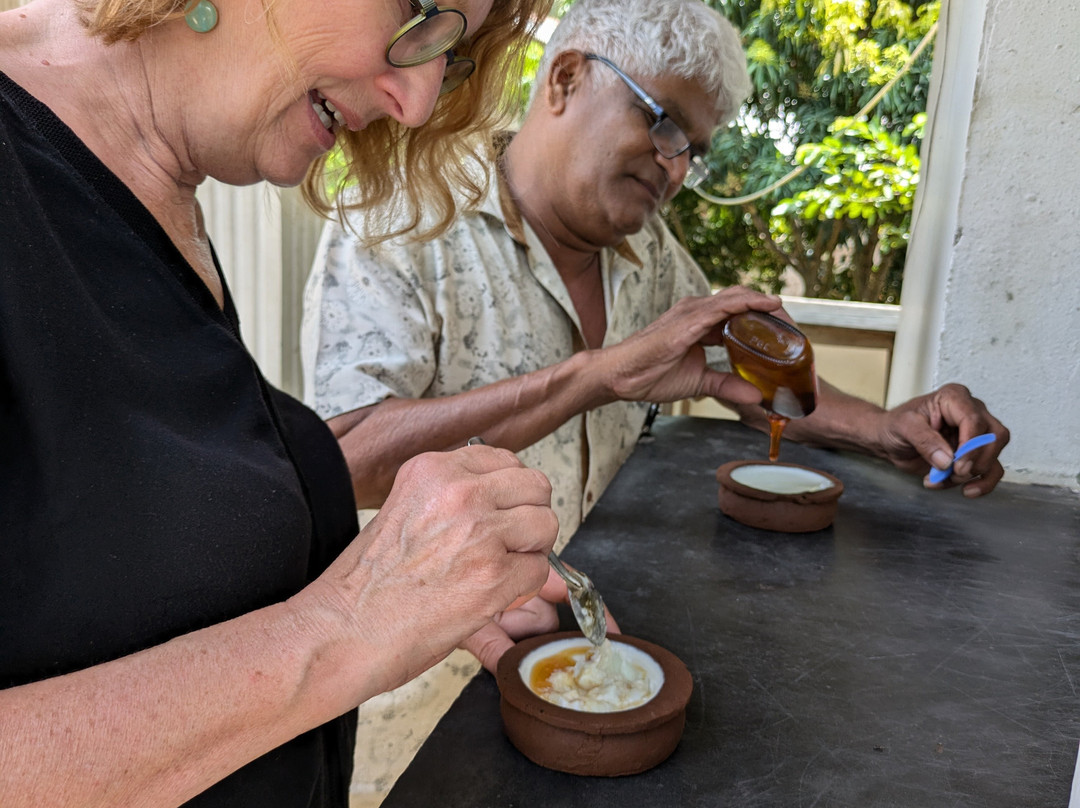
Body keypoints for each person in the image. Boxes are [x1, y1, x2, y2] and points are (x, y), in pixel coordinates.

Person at [0, 0, 564, 805]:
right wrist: (347, 627)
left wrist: (422, 577)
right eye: (422, 11)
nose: (415, 104)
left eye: (452, 54)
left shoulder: (161, 172)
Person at [302, 0, 1012, 578]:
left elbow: (743, 383)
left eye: (693, 151)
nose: (675, 169)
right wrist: (596, 376)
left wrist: (888, 431)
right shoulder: (402, 218)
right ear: (567, 78)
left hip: (595, 649)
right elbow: (352, 464)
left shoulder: (651, 258)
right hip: (433, 680)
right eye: (664, 123)